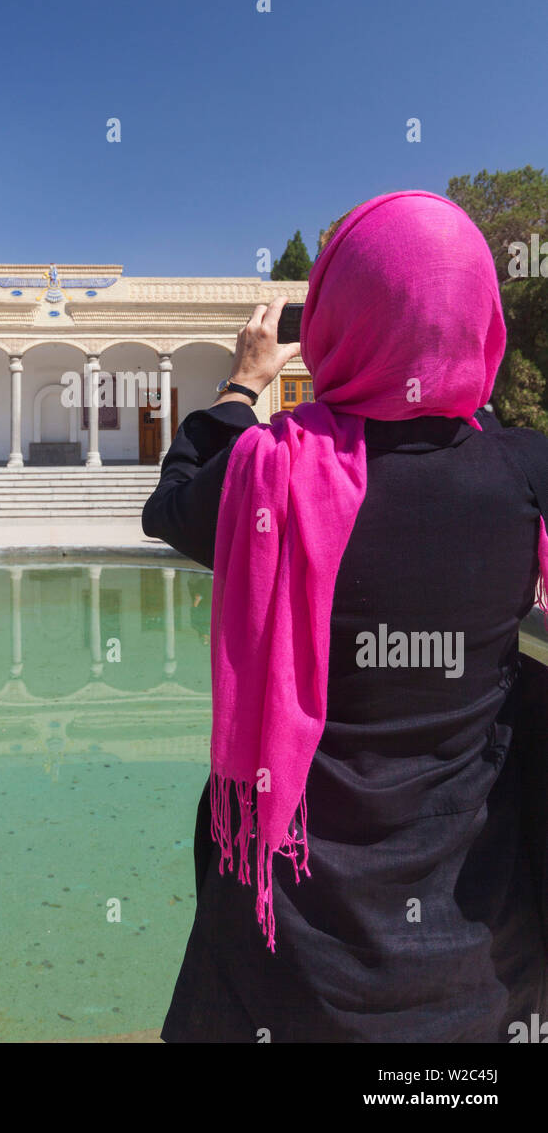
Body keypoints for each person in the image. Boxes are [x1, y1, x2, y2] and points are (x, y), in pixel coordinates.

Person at [142, 190, 548, 1043]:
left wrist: (241, 385)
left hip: (284, 955)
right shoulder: (521, 475)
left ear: (333, 319)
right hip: (474, 946)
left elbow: (171, 503)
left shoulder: (270, 476)